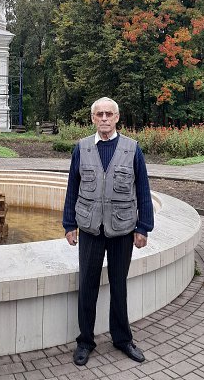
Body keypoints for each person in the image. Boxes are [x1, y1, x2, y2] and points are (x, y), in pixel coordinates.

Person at [63, 97, 154, 366]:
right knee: (87, 286)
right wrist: (69, 224)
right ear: (93, 118)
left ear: (117, 117)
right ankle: (85, 341)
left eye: (109, 114)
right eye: (99, 114)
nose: (104, 118)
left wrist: (143, 227)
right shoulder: (81, 148)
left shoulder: (132, 149)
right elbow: (72, 188)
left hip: (122, 229)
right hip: (90, 229)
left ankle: (122, 339)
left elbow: (143, 189)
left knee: (119, 285)